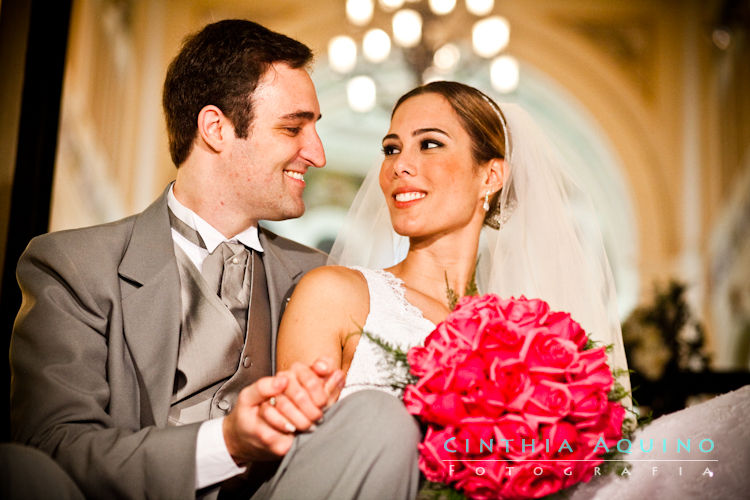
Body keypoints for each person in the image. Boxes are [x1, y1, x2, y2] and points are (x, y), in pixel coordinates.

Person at [7, 19, 419, 500]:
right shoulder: (73, 265)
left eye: (316, 130)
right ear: (216, 128)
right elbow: (52, 448)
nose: (318, 154)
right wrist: (226, 442)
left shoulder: (322, 280)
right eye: (293, 128)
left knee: (377, 417)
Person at [276, 81, 630, 401]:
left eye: (429, 144)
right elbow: (299, 455)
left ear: (491, 175)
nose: (400, 165)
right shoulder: (335, 294)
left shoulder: (523, 338)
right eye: (391, 149)